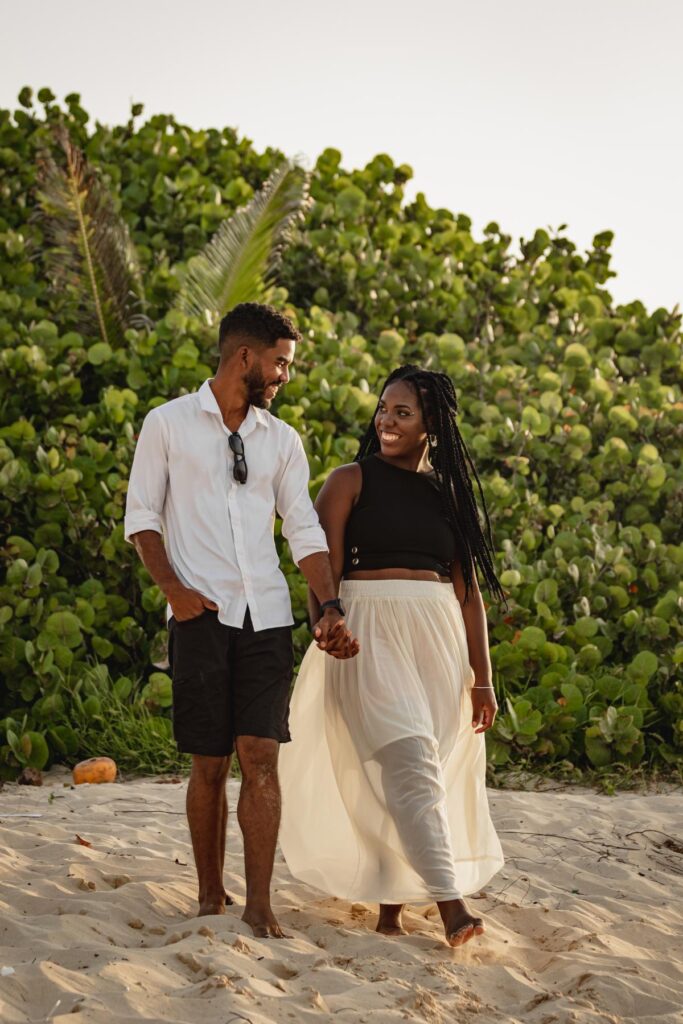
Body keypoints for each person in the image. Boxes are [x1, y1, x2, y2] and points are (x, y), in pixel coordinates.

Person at [124, 302, 357, 938]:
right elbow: (141, 518)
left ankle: (258, 905)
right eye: (280, 363)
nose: (285, 376)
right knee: (209, 763)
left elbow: (302, 529)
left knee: (261, 755)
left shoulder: (282, 440)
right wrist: (174, 591)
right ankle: (208, 898)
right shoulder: (167, 424)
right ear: (245, 358)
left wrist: (329, 604)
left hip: (268, 619)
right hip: (200, 617)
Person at [279, 364, 506, 948]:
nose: (386, 420)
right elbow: (318, 563)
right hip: (367, 631)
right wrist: (326, 618)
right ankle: (452, 904)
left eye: (402, 413)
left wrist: (484, 679)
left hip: (437, 635)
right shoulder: (350, 480)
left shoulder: (448, 494)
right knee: (409, 761)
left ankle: (390, 907)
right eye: (383, 409)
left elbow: (469, 594)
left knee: (413, 766)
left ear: (433, 424)